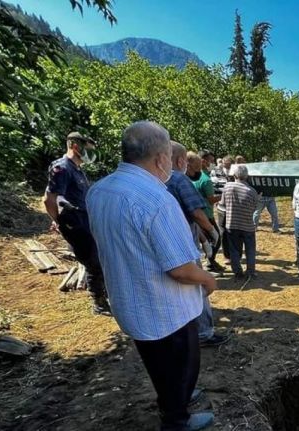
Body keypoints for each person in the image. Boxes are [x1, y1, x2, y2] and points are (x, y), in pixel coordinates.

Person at [87, 121, 215, 431]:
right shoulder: (157, 199)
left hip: (130, 300)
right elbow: (180, 268)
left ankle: (175, 397)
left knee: (159, 365)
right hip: (166, 309)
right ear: (160, 159)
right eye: (169, 156)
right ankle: (176, 420)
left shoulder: (99, 190)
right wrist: (208, 280)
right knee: (182, 363)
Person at [166, 142, 227, 348]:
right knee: (197, 285)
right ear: (180, 161)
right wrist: (211, 231)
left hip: (167, 243)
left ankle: (186, 328)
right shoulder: (178, 179)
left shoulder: (152, 180)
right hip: (184, 244)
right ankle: (203, 333)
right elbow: (195, 213)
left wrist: (202, 236)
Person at [43, 131, 110, 315]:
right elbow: (49, 199)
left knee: (97, 258)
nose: (91, 155)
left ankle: (102, 297)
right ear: (75, 146)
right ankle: (99, 304)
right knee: (93, 261)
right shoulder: (62, 168)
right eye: (89, 150)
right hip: (75, 223)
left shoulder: (76, 169)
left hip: (84, 220)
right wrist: (59, 221)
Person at [222, 164, 260, 280]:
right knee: (250, 250)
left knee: (234, 250)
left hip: (231, 224)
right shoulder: (252, 191)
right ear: (247, 176)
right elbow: (254, 208)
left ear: (234, 175)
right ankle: (251, 272)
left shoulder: (227, 187)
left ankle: (237, 272)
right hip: (247, 225)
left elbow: (223, 204)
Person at [187, 152, 223, 272]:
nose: (213, 164)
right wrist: (224, 195)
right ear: (203, 162)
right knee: (216, 239)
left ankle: (209, 260)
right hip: (206, 214)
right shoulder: (205, 180)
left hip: (197, 213)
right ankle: (210, 262)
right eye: (211, 161)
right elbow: (211, 199)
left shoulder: (192, 177)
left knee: (206, 239)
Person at [253, 156, 281, 233]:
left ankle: (275, 229)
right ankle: (254, 228)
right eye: (265, 162)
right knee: (256, 214)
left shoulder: (272, 172)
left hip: (270, 197)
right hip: (261, 198)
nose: (267, 163)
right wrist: (258, 194)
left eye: (268, 162)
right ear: (263, 162)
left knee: (274, 214)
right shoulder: (258, 172)